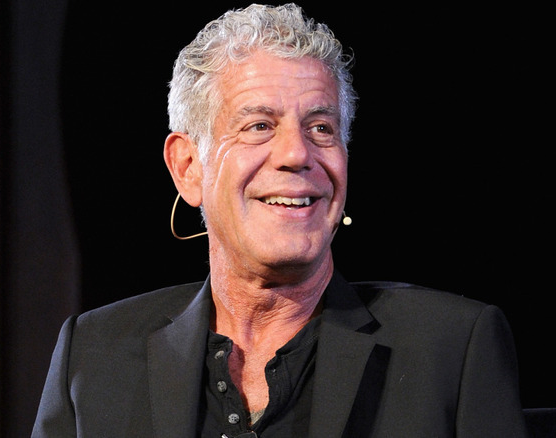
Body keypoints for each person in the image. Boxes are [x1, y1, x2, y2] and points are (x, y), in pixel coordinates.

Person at [33, 3, 529, 437]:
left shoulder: (452, 348)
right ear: (188, 168)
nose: (296, 153)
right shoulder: (94, 355)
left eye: (321, 127)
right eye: (259, 126)